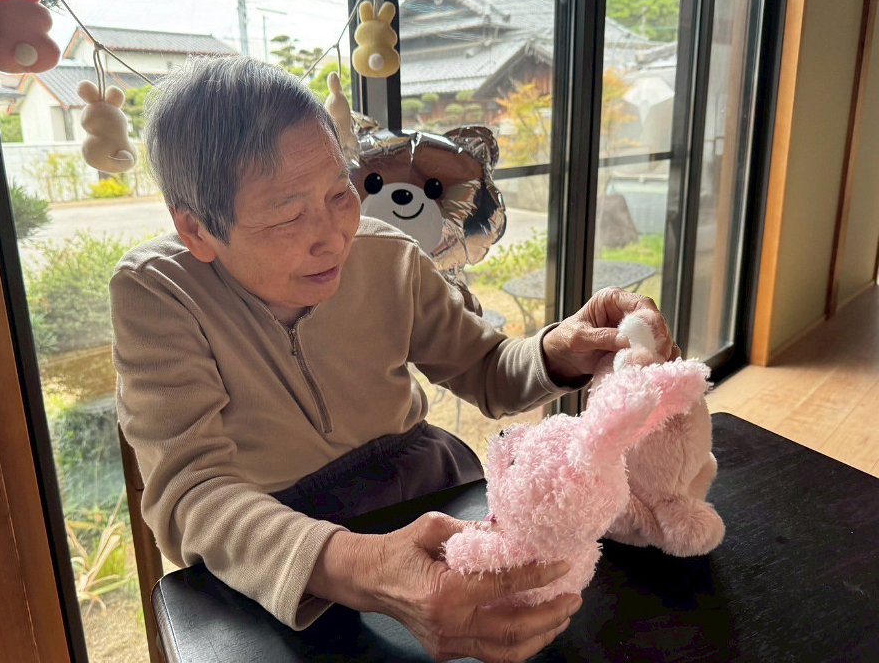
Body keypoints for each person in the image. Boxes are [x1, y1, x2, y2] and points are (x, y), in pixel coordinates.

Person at [111, 56, 676, 663]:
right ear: (197, 230)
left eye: (340, 192)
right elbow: (192, 493)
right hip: (272, 543)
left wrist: (557, 350)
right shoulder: (158, 293)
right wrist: (363, 564)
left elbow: (485, 367)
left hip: (425, 487)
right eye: (288, 215)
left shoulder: (388, 254)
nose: (334, 235)